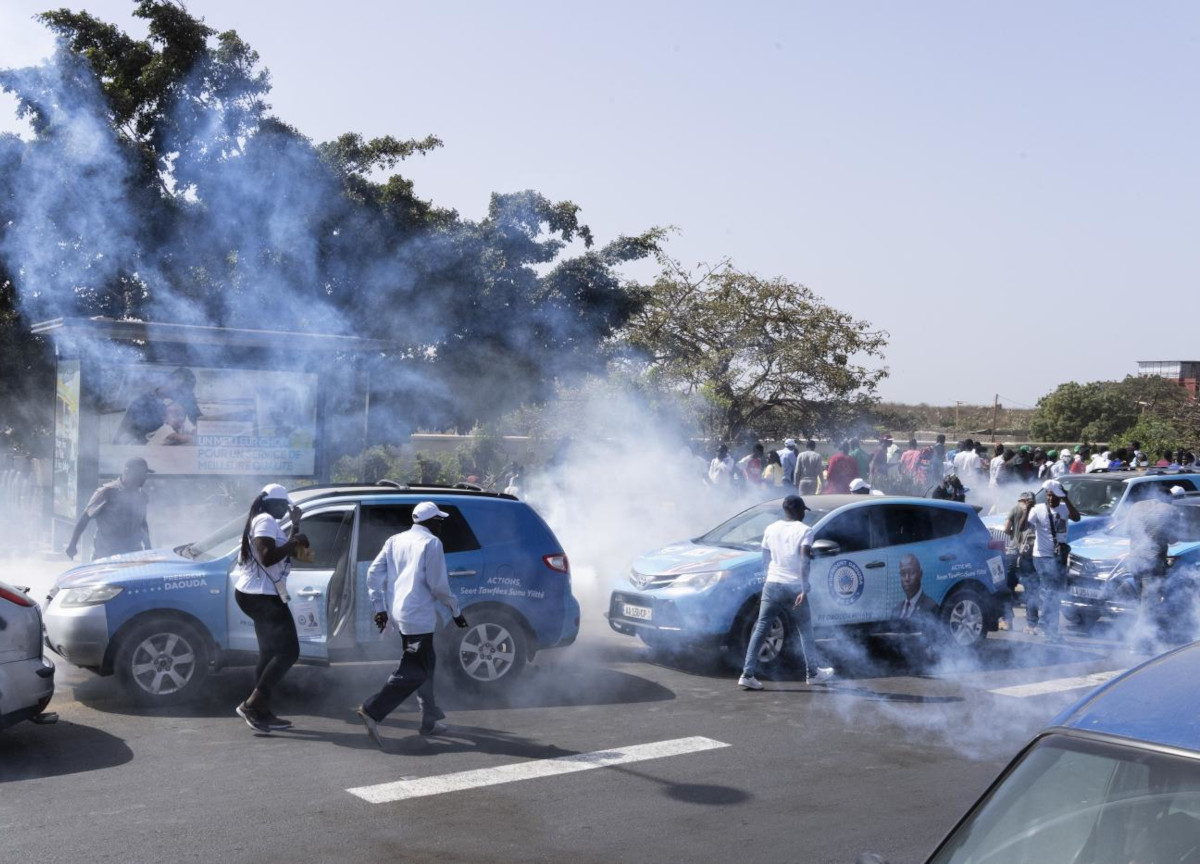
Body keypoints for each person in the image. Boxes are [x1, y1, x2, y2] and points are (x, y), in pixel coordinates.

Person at [356, 501, 470, 747]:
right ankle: (372, 709)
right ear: (431, 522)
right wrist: (455, 610)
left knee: (427, 664)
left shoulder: (394, 540)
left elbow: (373, 574)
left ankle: (429, 719)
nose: (441, 525)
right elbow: (438, 585)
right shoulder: (431, 543)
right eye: (439, 520)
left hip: (400, 611)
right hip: (418, 615)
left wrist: (380, 608)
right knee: (414, 669)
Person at [231, 484, 310, 733]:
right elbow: (267, 556)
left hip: (258, 593)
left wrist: (295, 528)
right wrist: (295, 540)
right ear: (272, 503)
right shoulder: (265, 519)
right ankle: (252, 705)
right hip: (262, 596)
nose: (286, 510)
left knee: (268, 653)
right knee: (289, 652)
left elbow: (281, 551)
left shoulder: (263, 519)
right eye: (284, 506)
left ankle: (261, 709)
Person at [737, 495, 833, 690]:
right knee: (805, 630)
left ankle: (747, 674)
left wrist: (770, 574)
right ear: (798, 511)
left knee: (761, 627)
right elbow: (804, 559)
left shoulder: (770, 529)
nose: (804, 515)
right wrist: (804, 586)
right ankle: (812, 673)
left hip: (772, 583)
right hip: (794, 586)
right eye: (803, 511)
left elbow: (765, 555)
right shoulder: (805, 530)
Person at [66, 457, 153, 561]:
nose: (145, 477)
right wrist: (72, 544)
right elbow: (85, 518)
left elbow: (142, 523)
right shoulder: (107, 492)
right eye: (142, 473)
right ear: (128, 471)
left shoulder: (141, 496)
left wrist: (148, 548)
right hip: (107, 555)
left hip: (133, 554)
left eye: (145, 474)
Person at [1027, 479, 1081, 643]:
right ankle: (1045, 627)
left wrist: (1065, 498)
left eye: (1053, 496)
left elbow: (1077, 518)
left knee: (1055, 594)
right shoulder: (1038, 509)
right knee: (1050, 592)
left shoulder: (1064, 509)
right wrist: (1026, 509)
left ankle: (1052, 631)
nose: (1050, 499)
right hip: (1042, 556)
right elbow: (1024, 526)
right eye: (1048, 496)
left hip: (1059, 557)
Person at [114, 367, 201, 445]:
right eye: (181, 391)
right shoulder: (143, 403)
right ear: (170, 381)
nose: (182, 396)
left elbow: (199, 420)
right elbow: (160, 433)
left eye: (185, 393)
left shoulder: (182, 398)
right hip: (135, 449)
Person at [1002, 492, 1037, 632]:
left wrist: (1014, 536)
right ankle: (1031, 625)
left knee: (1008, 588)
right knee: (1031, 590)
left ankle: (1007, 621)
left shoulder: (1015, 509)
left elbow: (1005, 529)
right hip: (1029, 555)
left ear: (1021, 500)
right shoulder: (1036, 511)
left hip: (1013, 552)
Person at [893, 554, 938, 622]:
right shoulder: (895, 610)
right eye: (903, 573)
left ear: (920, 574)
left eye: (911, 572)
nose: (907, 578)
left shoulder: (932, 607)